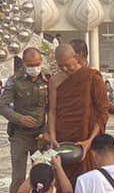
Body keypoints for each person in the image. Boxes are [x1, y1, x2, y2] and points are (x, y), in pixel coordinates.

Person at [0, 49, 48, 193]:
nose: (35, 68)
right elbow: (3, 106)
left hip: (40, 138)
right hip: (20, 136)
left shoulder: (48, 80)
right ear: (24, 63)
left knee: (42, 177)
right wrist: (19, 119)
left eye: (37, 64)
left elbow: (51, 108)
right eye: (31, 65)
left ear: (41, 61)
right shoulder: (14, 80)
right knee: (18, 179)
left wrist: (47, 131)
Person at [46, 40, 109, 176]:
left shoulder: (92, 77)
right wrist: (52, 135)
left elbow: (102, 112)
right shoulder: (54, 81)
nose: (65, 69)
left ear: (76, 58)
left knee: (87, 178)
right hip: (63, 137)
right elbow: (52, 111)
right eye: (60, 66)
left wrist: (90, 140)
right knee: (64, 179)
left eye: (68, 65)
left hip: (85, 137)